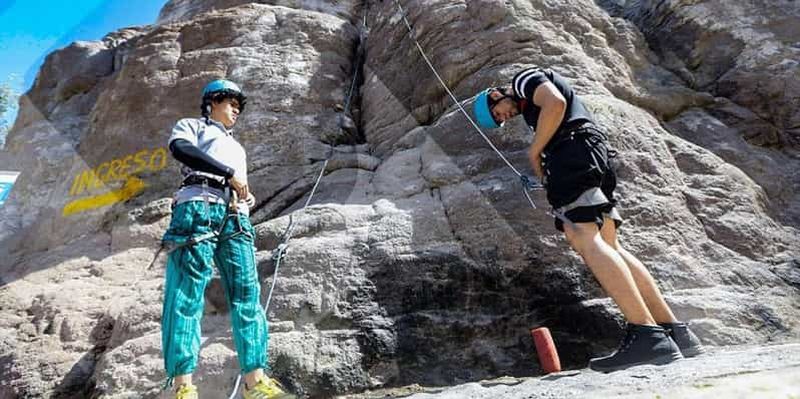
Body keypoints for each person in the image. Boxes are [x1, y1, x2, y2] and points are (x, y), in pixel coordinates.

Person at [473, 67, 704, 372]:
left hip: (572, 153)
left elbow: (555, 103)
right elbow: (555, 113)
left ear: (494, 95)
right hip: (590, 153)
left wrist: (535, 152)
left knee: (583, 236)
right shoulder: (532, 110)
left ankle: (648, 335)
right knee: (610, 243)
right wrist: (545, 170)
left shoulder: (523, 80)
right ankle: (675, 332)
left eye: (499, 114)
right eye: (500, 121)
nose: (504, 118)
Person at [161, 79, 295, 398]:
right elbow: (180, 149)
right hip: (198, 205)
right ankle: (183, 387)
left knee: (247, 294)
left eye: (239, 105)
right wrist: (225, 173)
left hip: (235, 217)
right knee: (186, 293)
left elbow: (236, 182)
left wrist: (244, 198)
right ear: (211, 102)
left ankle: (256, 383)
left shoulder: (237, 146)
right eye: (229, 101)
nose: (236, 108)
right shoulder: (192, 126)